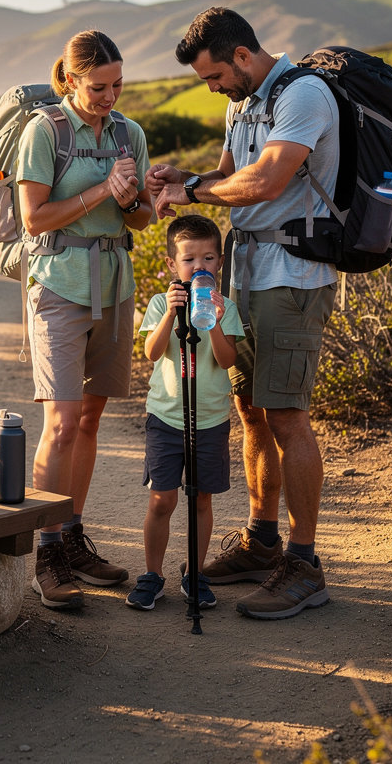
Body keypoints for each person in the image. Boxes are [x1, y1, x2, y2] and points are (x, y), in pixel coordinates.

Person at [144, 6, 337, 620]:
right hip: (247, 274)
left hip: (293, 273)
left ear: (243, 57)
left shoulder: (304, 93)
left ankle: (305, 565)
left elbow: (269, 179)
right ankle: (261, 543)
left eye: (215, 77)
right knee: (253, 410)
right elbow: (231, 173)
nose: (213, 88)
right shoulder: (241, 103)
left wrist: (196, 193)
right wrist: (189, 177)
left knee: (287, 415)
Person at [17, 29, 152, 610]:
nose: (110, 95)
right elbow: (34, 219)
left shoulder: (130, 133)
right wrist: (103, 190)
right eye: (98, 86)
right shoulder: (44, 132)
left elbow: (143, 218)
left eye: (118, 84)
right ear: (70, 80)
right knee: (64, 423)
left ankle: (72, 535)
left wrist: (130, 200)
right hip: (58, 288)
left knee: (93, 421)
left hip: (115, 285)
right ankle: (46, 552)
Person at [126, 214, 243, 611]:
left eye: (208, 259)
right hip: (166, 419)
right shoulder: (161, 302)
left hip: (210, 420)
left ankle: (195, 573)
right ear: (171, 266)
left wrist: (210, 320)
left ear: (220, 263)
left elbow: (228, 358)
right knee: (162, 499)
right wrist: (170, 316)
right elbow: (151, 352)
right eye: (189, 260)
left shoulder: (227, 307)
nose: (199, 267)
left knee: (201, 500)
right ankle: (152, 574)